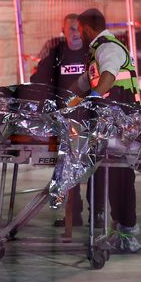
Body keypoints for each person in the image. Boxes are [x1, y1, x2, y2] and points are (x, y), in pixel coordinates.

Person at [70, 8, 141, 253]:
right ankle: (120, 230)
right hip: (113, 122)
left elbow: (108, 78)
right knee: (113, 174)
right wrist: (65, 101)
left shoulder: (107, 48)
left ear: (88, 28)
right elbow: (82, 83)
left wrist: (92, 98)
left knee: (122, 176)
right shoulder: (96, 53)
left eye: (79, 30)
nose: (79, 34)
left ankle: (127, 232)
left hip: (121, 123)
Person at [29, 13, 89, 228]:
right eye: (70, 29)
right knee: (67, 168)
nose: (74, 33)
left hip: (90, 120)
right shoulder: (57, 54)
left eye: (78, 28)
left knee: (95, 169)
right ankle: (73, 216)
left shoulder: (90, 54)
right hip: (64, 122)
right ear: (63, 32)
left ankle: (98, 214)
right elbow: (37, 79)